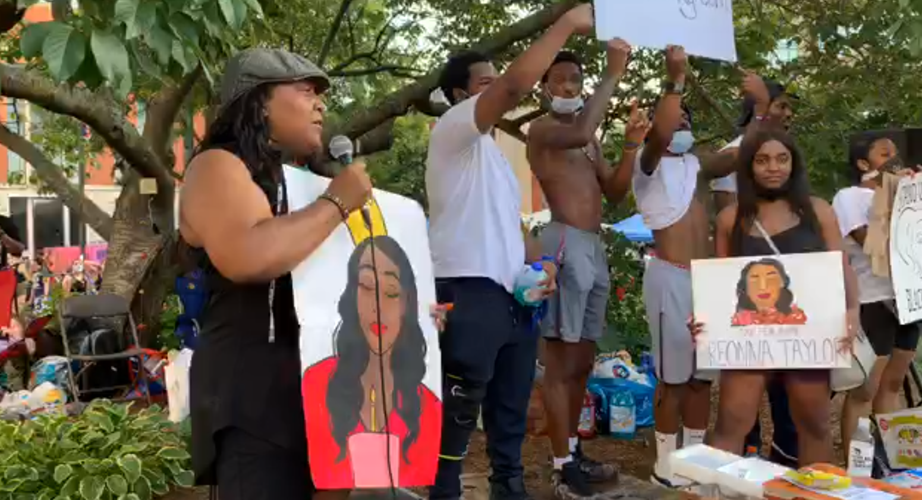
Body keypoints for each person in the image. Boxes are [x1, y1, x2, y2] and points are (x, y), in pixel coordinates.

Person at [180, 48, 373, 500]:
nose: (321, 104)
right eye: (307, 91)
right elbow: (247, 255)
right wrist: (337, 203)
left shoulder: (306, 184)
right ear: (259, 100)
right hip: (255, 399)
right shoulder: (216, 166)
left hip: (322, 391)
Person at [425, 5, 599, 499]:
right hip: (468, 289)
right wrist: (564, 24)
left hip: (514, 301)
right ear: (460, 96)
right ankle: (445, 492)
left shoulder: (497, 160)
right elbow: (515, 88)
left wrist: (540, 263)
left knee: (511, 413)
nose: (497, 87)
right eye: (484, 84)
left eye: (494, 81)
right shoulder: (454, 132)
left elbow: (513, 230)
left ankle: (510, 489)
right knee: (458, 418)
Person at [694, 128, 860, 466]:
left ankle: (817, 492)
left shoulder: (819, 211)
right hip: (748, 337)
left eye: (782, 159)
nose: (774, 167)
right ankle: (717, 490)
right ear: (749, 167)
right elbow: (723, 285)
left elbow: (842, 268)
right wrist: (704, 318)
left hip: (809, 334)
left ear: (794, 164)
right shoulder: (731, 219)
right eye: (763, 160)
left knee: (813, 425)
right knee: (731, 422)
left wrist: (852, 310)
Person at [526, 40, 649, 497]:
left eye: (575, 79)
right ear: (543, 88)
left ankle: (572, 451)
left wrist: (633, 146)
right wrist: (614, 72)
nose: (568, 85)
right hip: (563, 242)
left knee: (581, 360)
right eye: (559, 79)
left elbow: (615, 191)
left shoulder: (590, 137)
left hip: (594, 247)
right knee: (560, 361)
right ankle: (561, 464)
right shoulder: (542, 131)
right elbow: (578, 133)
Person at [631, 46, 738, 488]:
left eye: (688, 121)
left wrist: (765, 112)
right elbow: (657, 138)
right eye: (676, 120)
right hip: (668, 277)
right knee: (673, 379)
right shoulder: (646, 164)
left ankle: (694, 464)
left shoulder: (698, 166)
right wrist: (674, 81)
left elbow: (737, 154)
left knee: (701, 379)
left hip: (706, 283)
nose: (683, 127)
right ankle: (665, 466)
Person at [303, 235, 441, 488]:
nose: (378, 305)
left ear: (408, 305)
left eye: (391, 292)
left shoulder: (428, 407)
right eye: (366, 286)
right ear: (350, 296)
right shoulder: (316, 383)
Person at [835, 133, 921, 451]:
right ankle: (856, 467)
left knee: (894, 382)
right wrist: (891, 194)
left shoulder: (907, 196)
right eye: (886, 154)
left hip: (909, 300)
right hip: (872, 299)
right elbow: (873, 244)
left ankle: (895, 459)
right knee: (865, 388)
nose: (896, 160)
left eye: (897, 154)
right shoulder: (850, 197)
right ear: (862, 163)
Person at [709, 78, 797, 214]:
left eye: (790, 108)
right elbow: (727, 218)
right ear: (758, 108)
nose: (789, 114)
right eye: (781, 107)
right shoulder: (730, 157)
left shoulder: (786, 152)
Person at [731, 258, 808, 327]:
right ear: (745, 287)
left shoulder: (796, 317)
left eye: (771, 278)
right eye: (754, 279)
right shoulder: (739, 320)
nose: (763, 287)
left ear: (782, 283)